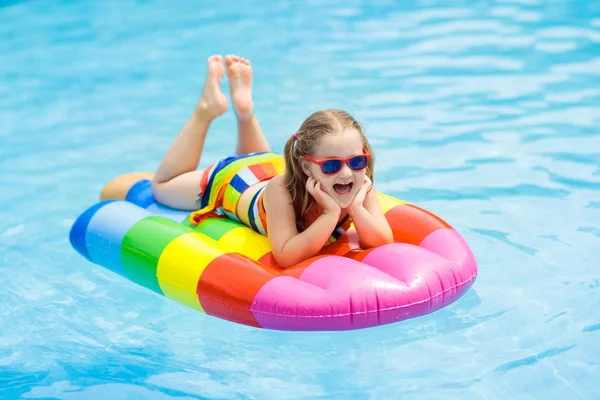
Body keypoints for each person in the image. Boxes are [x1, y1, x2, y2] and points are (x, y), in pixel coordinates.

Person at [101, 54, 393, 268]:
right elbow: (286, 254)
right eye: (331, 165)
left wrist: (356, 206)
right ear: (306, 167)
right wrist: (330, 215)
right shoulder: (283, 190)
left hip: (266, 163)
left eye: (356, 161)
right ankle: (206, 111)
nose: (346, 172)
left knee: (258, 158)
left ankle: (245, 111)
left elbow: (381, 240)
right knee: (161, 186)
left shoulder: (358, 183)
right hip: (235, 182)